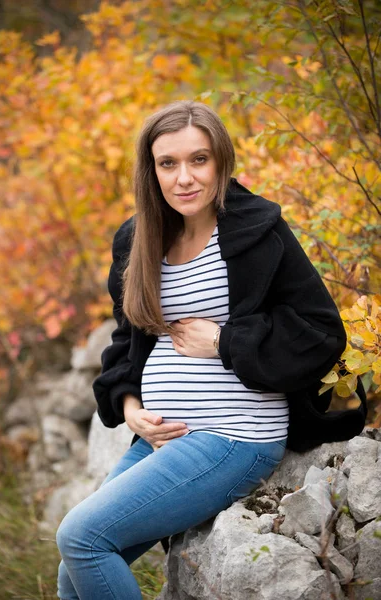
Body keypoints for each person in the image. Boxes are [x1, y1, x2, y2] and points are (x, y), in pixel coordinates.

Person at [56, 100, 347, 600]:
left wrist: (223, 340)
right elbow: (127, 339)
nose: (184, 177)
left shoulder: (257, 230)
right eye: (168, 163)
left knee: (81, 538)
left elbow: (321, 331)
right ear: (152, 170)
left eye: (199, 160)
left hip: (233, 436)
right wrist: (130, 409)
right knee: (73, 572)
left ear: (221, 162)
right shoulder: (139, 238)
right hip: (160, 438)